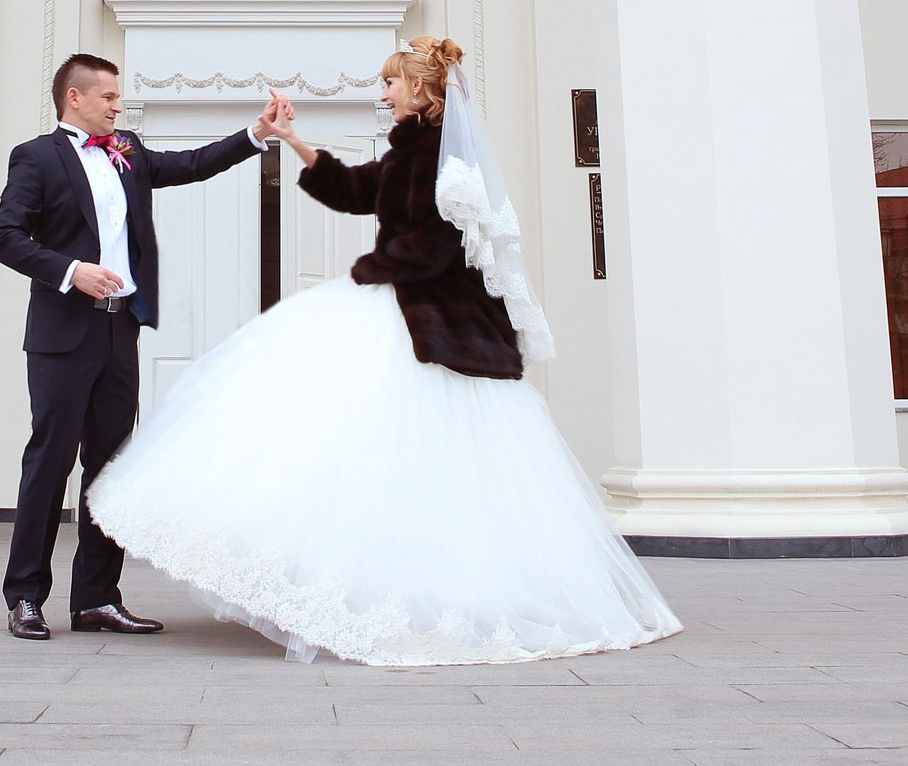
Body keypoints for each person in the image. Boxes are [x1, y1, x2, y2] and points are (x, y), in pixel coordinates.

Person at [87, 36, 682, 665]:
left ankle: (437, 593)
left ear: (421, 91)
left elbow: (436, 247)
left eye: (391, 82)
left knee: (413, 456)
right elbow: (352, 189)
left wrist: (375, 268)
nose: (383, 91)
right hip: (401, 307)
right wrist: (292, 140)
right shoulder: (410, 152)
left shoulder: (444, 164)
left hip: (430, 323)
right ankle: (394, 585)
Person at [0, 53, 287, 641]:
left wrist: (256, 134)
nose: (117, 107)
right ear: (75, 98)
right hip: (61, 335)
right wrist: (71, 269)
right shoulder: (37, 158)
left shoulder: (126, 150)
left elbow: (192, 164)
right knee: (49, 463)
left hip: (118, 329)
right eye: (108, 99)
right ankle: (24, 596)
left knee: (111, 466)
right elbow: (7, 238)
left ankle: (96, 599)